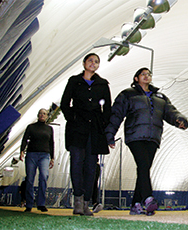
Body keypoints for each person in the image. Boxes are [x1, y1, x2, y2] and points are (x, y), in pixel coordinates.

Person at [105, 67, 188, 216]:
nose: (146, 76)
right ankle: (148, 199)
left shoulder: (160, 97)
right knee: (143, 165)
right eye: (143, 74)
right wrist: (110, 134)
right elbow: (116, 114)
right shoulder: (127, 94)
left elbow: (170, 112)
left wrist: (179, 120)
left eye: (149, 74)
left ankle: (135, 204)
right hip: (135, 136)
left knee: (144, 169)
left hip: (153, 137)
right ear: (136, 78)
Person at [60, 53, 111, 216]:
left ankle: (87, 203)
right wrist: (73, 118)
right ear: (84, 63)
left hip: (95, 129)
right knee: (76, 163)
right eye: (90, 60)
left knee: (91, 167)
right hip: (77, 128)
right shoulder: (74, 81)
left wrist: (103, 123)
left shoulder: (102, 84)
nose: (93, 63)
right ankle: (78, 200)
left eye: (96, 62)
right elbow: (64, 103)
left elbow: (107, 107)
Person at [20, 108, 54, 212]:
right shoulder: (31, 127)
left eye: (44, 114)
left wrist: (52, 157)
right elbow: (25, 139)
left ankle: (41, 204)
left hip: (45, 155)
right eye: (40, 113)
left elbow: (51, 143)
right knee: (30, 179)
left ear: (47, 116)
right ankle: (29, 204)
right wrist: (22, 151)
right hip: (31, 155)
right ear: (37, 115)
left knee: (43, 176)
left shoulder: (49, 129)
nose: (42, 115)